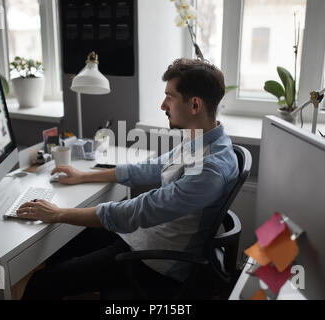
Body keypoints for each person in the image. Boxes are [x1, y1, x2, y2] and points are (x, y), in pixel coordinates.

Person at [17, 58, 239, 299]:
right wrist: (85, 175)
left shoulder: (209, 169)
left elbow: (140, 210)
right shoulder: (204, 139)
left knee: (40, 282)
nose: (163, 105)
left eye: (170, 97)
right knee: (61, 246)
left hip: (155, 262)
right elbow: (152, 167)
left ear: (195, 105)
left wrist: (60, 213)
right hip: (144, 237)